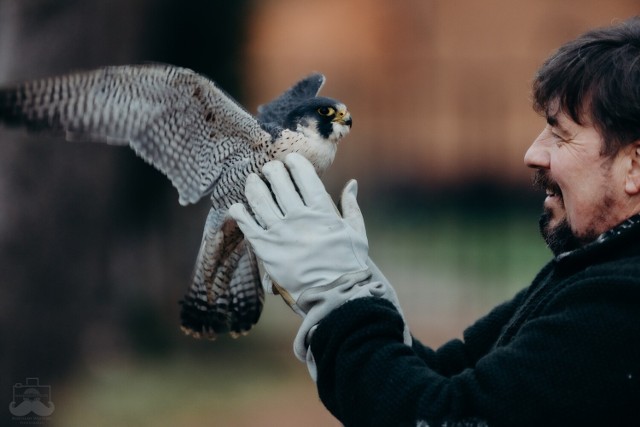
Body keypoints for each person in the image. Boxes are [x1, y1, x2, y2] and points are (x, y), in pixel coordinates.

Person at [229, 17, 640, 427]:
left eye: (560, 134)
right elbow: (449, 377)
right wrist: (364, 300)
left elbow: (441, 417)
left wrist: (341, 298)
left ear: (634, 165)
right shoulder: (588, 269)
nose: (534, 153)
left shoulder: (620, 302)